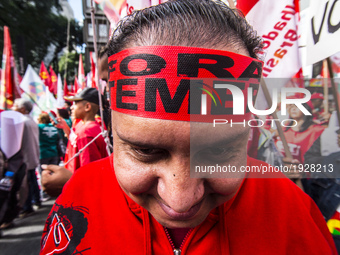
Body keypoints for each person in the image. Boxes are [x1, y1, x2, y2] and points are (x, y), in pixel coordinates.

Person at [40, 1, 336, 254]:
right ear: (112, 125)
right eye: (145, 151)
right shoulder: (80, 193)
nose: (180, 201)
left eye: (219, 150)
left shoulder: (291, 210)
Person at [63, 87, 108, 173]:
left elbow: (89, 171)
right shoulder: (81, 125)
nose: (71, 107)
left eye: (75, 103)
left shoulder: (87, 133)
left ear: (87, 107)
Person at [12, 98, 40, 218]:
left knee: (25, 183)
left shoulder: (21, 121)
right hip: (32, 155)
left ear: (22, 109)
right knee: (31, 180)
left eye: (15, 105)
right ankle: (35, 200)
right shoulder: (31, 120)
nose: (13, 107)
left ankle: (27, 207)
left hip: (25, 157)